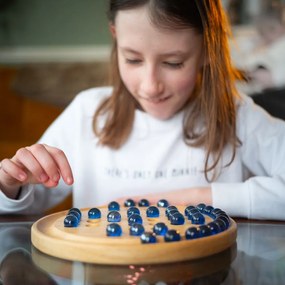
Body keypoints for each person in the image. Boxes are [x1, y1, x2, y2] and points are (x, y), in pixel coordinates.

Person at [0, 0, 285, 220]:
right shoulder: (87, 113)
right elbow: (18, 205)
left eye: (173, 63)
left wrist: (196, 197)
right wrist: (10, 184)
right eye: (133, 59)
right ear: (115, 37)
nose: (150, 87)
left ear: (207, 50)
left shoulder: (237, 116)